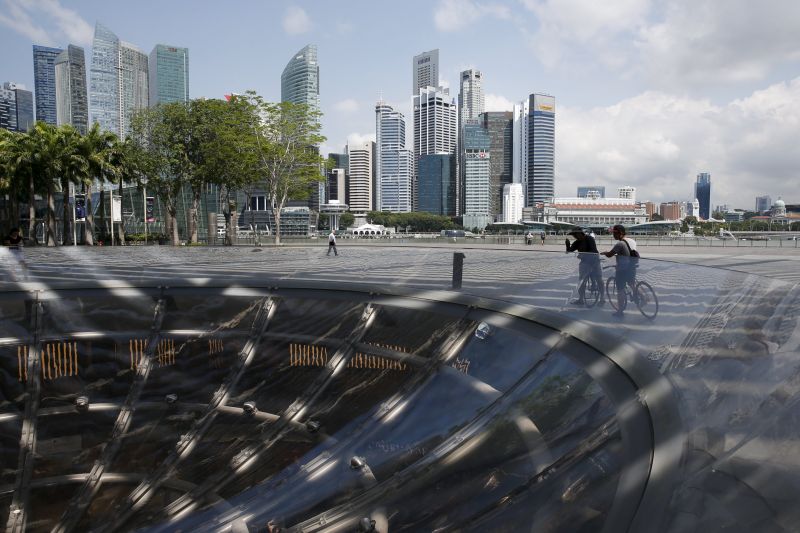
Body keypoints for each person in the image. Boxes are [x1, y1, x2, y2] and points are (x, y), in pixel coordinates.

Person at [601, 224, 638, 317]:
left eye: (615, 233)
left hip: (623, 270)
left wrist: (605, 253)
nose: (613, 235)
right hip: (632, 267)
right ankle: (643, 298)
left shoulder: (620, 244)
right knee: (632, 284)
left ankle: (620, 311)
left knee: (620, 290)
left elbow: (610, 254)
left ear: (621, 233)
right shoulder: (631, 241)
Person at [565, 229, 604, 305]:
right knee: (582, 281)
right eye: (574, 235)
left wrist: (583, 255)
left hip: (594, 262)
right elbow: (569, 251)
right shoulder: (577, 242)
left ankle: (602, 298)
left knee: (599, 280)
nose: (575, 237)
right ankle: (581, 299)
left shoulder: (589, 238)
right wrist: (567, 245)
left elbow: (593, 250)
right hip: (585, 263)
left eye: (576, 235)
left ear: (581, 234)